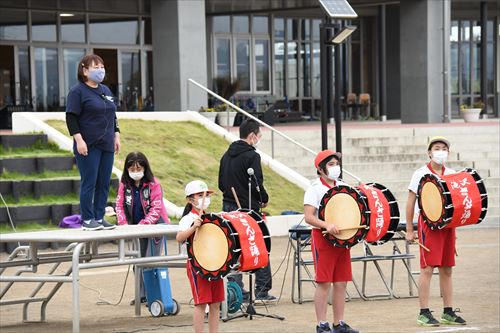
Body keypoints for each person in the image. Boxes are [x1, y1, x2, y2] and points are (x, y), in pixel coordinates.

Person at [406, 136, 466, 327]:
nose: (441, 151)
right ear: (429, 152)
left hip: (448, 225)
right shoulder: (420, 173)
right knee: (427, 268)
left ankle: (448, 311)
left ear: (448, 153)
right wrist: (409, 229)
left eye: (444, 148)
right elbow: (410, 202)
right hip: (428, 225)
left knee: (447, 269)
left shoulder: (452, 173)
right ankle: (423, 312)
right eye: (437, 148)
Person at [218, 118, 274, 302]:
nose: (259, 139)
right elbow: (257, 183)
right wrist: (263, 199)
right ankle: (262, 289)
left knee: (234, 248)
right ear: (251, 136)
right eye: (258, 136)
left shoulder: (226, 155)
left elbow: (221, 184)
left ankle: (236, 290)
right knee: (258, 245)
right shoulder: (252, 156)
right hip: (248, 209)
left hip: (228, 207)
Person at [303, 150, 358, 333]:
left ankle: (339, 323)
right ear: (320, 169)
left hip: (343, 240)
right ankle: (322, 324)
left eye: (336, 163)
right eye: (331, 164)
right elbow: (309, 217)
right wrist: (326, 224)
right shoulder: (314, 189)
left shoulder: (343, 186)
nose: (336, 168)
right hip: (323, 239)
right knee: (324, 283)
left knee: (341, 282)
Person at [66, 53, 120, 231]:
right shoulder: (77, 91)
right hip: (88, 145)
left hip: (106, 144)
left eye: (102, 67)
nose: (100, 71)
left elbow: (113, 115)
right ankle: (87, 219)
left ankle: (99, 216)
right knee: (90, 182)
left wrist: (116, 135)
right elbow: (71, 117)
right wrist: (79, 140)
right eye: (95, 67)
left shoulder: (105, 90)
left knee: (104, 182)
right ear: (84, 71)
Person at [115, 151, 170, 304]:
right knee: (137, 262)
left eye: (138, 169)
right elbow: (119, 205)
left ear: (145, 168)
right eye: (132, 169)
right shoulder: (124, 185)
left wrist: (143, 225)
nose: (135, 172)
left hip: (155, 228)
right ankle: (142, 295)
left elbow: (156, 209)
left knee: (150, 261)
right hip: (136, 228)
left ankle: (155, 295)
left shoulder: (154, 184)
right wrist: (124, 224)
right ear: (127, 170)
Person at [176, 180, 223, 333]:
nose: (205, 198)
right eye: (201, 195)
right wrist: (194, 227)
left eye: (207, 195)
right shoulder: (187, 219)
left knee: (215, 303)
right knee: (201, 303)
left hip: (214, 264)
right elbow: (179, 238)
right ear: (190, 199)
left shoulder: (210, 217)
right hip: (196, 265)